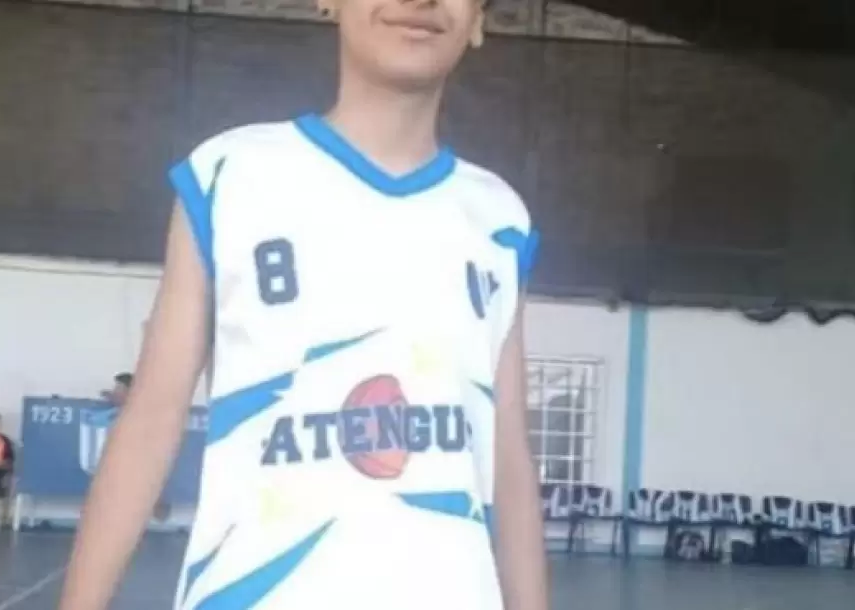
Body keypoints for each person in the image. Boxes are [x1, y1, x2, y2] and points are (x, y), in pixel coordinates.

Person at [59, 0, 547, 607]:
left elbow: (509, 458)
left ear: (477, 22)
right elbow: (152, 417)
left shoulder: (499, 218)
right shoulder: (232, 175)